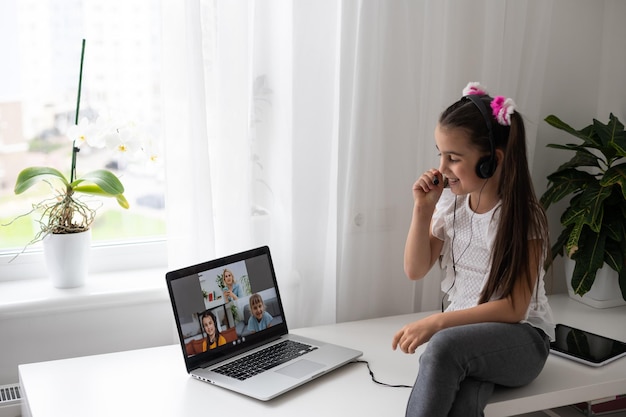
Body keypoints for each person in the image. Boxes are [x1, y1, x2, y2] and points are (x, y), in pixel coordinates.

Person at [392, 82, 555, 417]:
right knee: (462, 399)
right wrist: (422, 208)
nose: (441, 168)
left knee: (441, 349)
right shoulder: (451, 206)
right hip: (471, 337)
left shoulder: (522, 216)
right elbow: (415, 268)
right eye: (439, 154)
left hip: (524, 340)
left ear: (490, 161)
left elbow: (513, 308)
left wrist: (439, 322)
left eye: (453, 158)